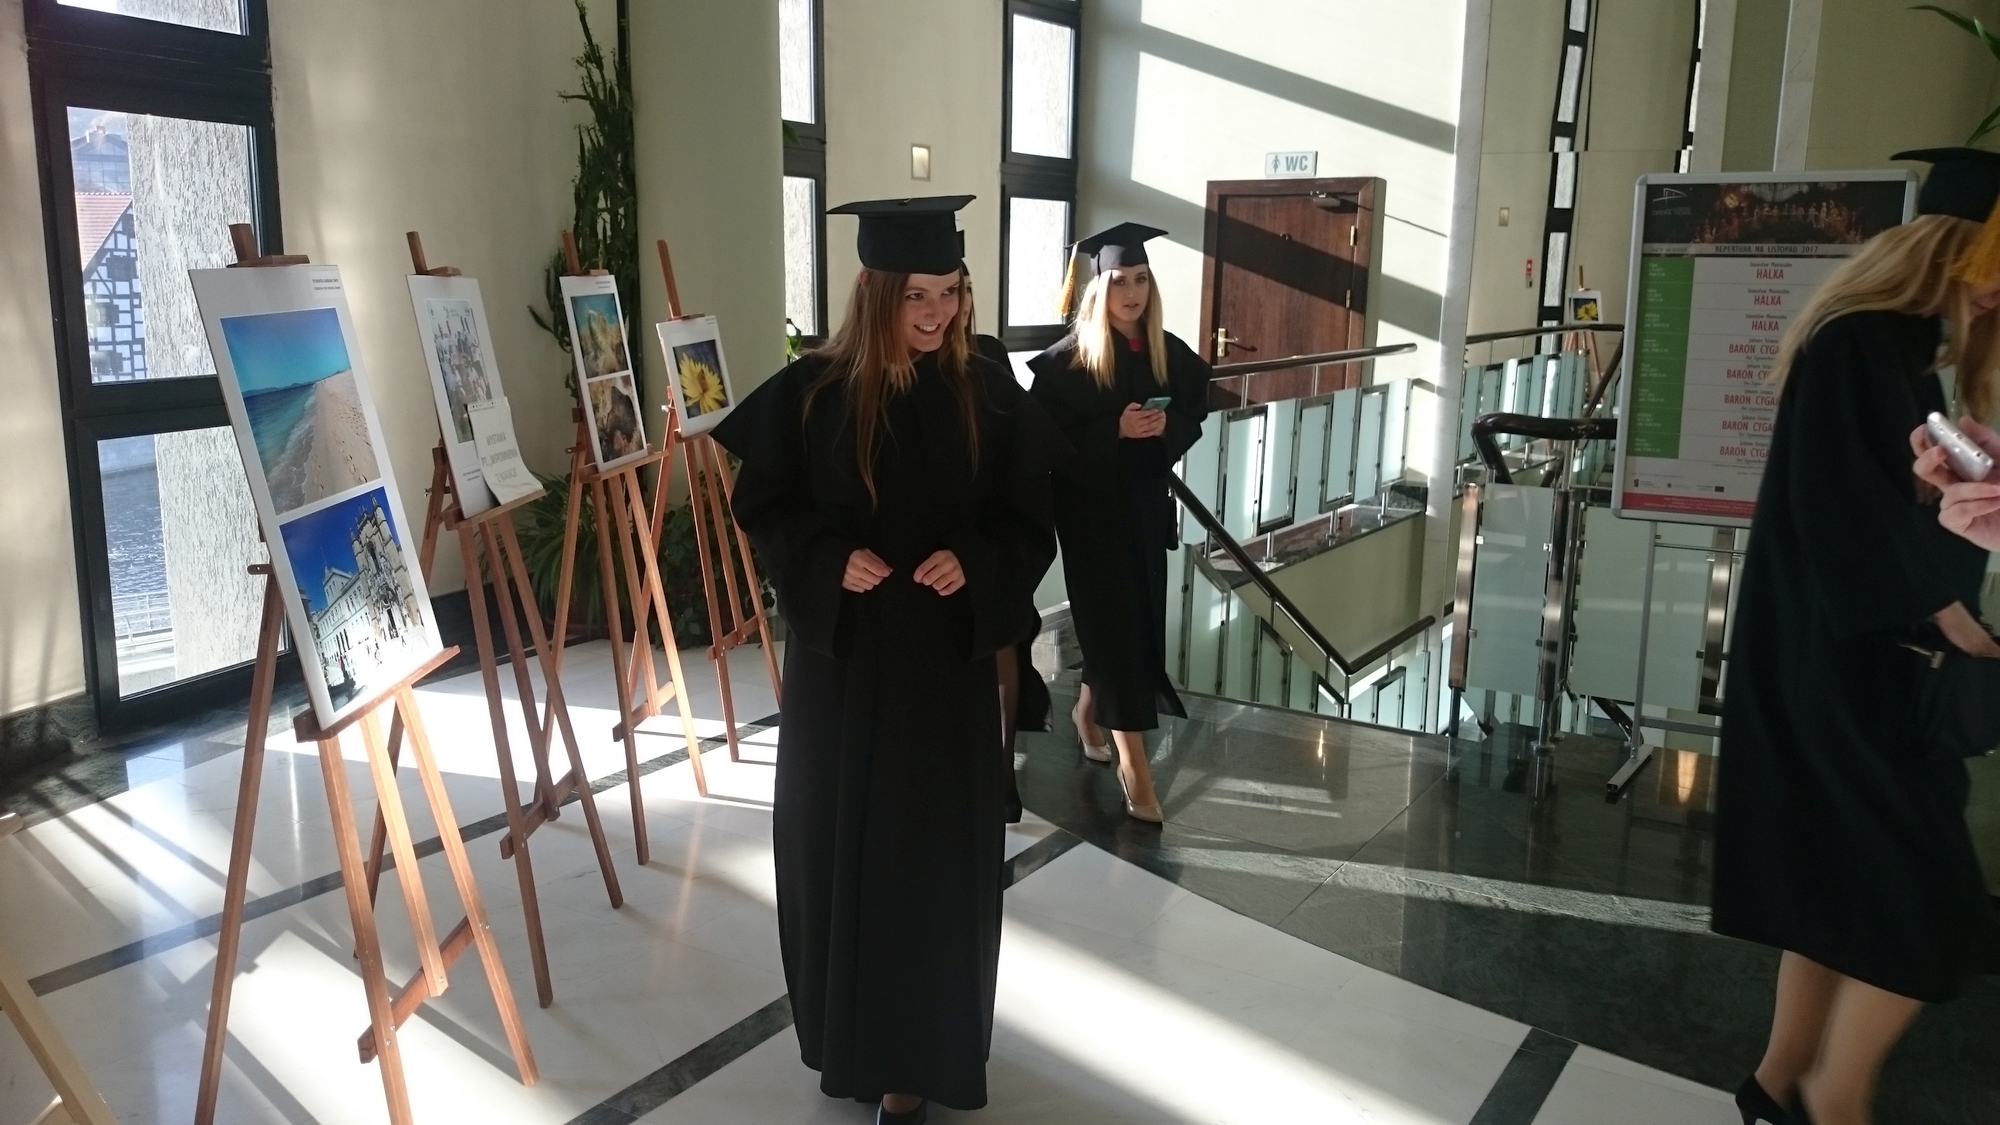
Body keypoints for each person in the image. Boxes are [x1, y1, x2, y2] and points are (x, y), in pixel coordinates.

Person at [710, 195, 1065, 1124]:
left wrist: (974, 561)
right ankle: (849, 1042)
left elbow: (1029, 519)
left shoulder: (987, 390)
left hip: (943, 675)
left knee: (928, 868)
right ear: (875, 293)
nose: (937, 313)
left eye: (950, 291)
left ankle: (915, 1065)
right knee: (834, 852)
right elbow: (766, 510)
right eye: (916, 295)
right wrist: (829, 558)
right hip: (846, 671)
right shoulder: (816, 391)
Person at [1715, 147, 2000, 1125]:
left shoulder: (1900, 346)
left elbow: (1918, 488)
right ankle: (1833, 1097)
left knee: (1835, 885)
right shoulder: (1867, 343)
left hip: (1845, 664)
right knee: (1929, 904)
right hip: (1852, 672)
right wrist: (1959, 622)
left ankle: (1777, 1085)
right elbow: (1844, 510)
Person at [1027, 223, 1211, 822]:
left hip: (1146, 509)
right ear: (1097, 288)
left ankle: (1087, 711)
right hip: (1090, 516)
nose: (1132, 293)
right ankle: (1137, 770)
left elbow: (1194, 411)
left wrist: (1164, 429)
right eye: (1119, 281)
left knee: (1135, 625)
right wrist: (1114, 431)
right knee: (1115, 627)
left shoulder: (1166, 352)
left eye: (1141, 280)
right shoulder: (1068, 362)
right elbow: (1047, 442)